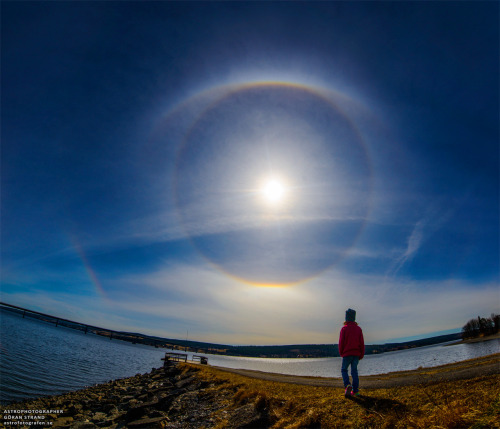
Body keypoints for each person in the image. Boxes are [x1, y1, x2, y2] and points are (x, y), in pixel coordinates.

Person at [339, 308, 365, 397]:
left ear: (346, 318)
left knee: (344, 370)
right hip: (356, 354)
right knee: (354, 372)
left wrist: (341, 352)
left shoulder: (344, 329)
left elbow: (341, 342)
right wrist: (361, 354)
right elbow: (362, 343)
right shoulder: (358, 329)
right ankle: (356, 391)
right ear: (354, 318)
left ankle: (347, 385)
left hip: (346, 354)